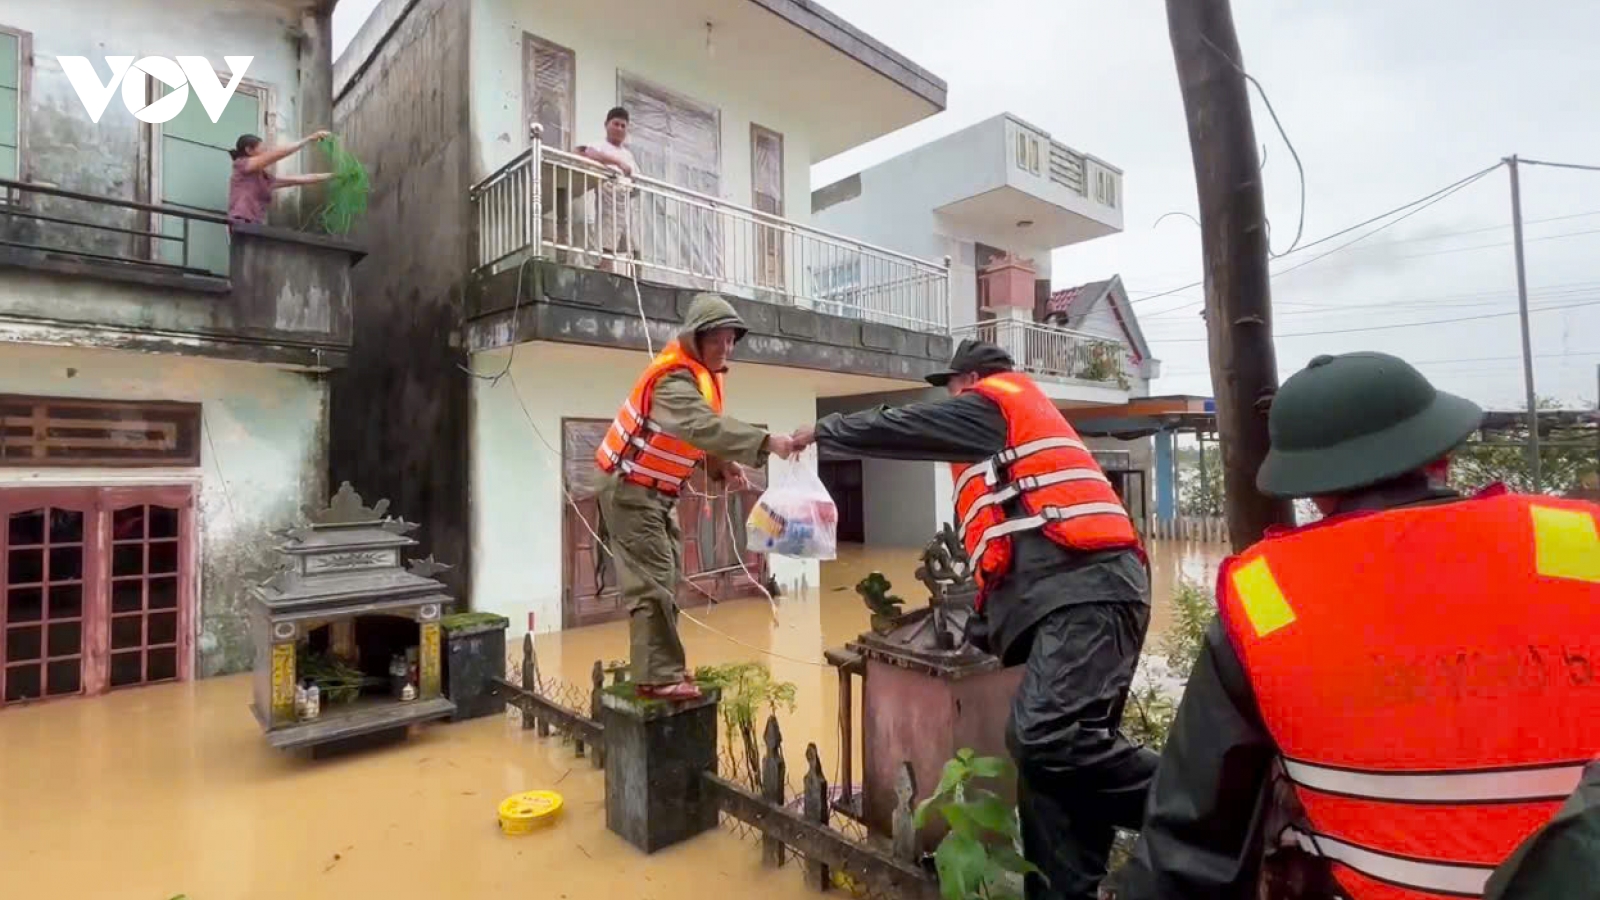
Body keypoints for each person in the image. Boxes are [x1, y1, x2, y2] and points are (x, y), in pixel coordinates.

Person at [1116, 351, 1600, 900]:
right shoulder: (1579, 540)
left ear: (1310, 489)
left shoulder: (1265, 595)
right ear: (1442, 454)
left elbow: (1190, 841)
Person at [789, 339, 1158, 900]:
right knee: (1053, 781)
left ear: (969, 381)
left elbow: (907, 427)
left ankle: (1211, 805)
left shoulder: (994, 403)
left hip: (1090, 591)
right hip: (1072, 597)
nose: (950, 400)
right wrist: (986, 625)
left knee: (1042, 738)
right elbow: (1009, 545)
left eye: (951, 389)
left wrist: (826, 431)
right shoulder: (1006, 447)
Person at [595, 293, 797, 701]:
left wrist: (721, 466)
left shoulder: (701, 378)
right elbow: (699, 426)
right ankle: (659, 677)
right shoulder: (673, 381)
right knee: (653, 583)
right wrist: (766, 442)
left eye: (731, 340)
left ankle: (659, 667)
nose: (726, 348)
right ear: (695, 339)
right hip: (631, 490)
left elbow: (693, 438)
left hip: (657, 495)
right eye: (717, 340)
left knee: (667, 575)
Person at [227, 132, 334, 226]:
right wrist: (309, 138)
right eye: (263, 149)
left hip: (255, 224)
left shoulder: (265, 178)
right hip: (241, 222)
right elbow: (278, 154)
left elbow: (297, 180)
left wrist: (331, 176)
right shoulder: (241, 164)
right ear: (249, 150)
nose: (266, 152)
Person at [577, 106, 637, 271]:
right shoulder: (599, 146)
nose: (619, 129)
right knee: (607, 247)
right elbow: (583, 152)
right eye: (616, 124)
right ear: (606, 124)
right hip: (607, 204)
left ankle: (634, 282)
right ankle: (606, 279)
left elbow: (635, 179)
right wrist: (617, 163)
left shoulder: (628, 155)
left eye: (623, 126)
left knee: (633, 250)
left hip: (626, 207)